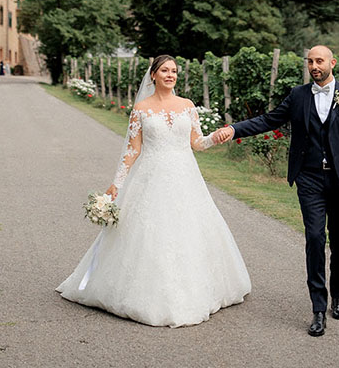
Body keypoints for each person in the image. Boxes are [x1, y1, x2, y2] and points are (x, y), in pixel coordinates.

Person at [58, 55, 250, 327]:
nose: (170, 75)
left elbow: (197, 143)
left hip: (186, 177)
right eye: (165, 70)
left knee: (190, 230)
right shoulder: (141, 109)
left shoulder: (187, 106)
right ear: (154, 76)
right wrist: (117, 182)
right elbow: (133, 150)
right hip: (151, 177)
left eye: (174, 71)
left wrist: (214, 138)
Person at [211, 45, 339, 337]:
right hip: (309, 178)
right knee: (314, 238)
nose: (314, 65)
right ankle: (317, 309)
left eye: (320, 61)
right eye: (310, 61)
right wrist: (235, 129)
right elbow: (268, 119)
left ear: (332, 63)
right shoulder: (298, 96)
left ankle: (338, 295)